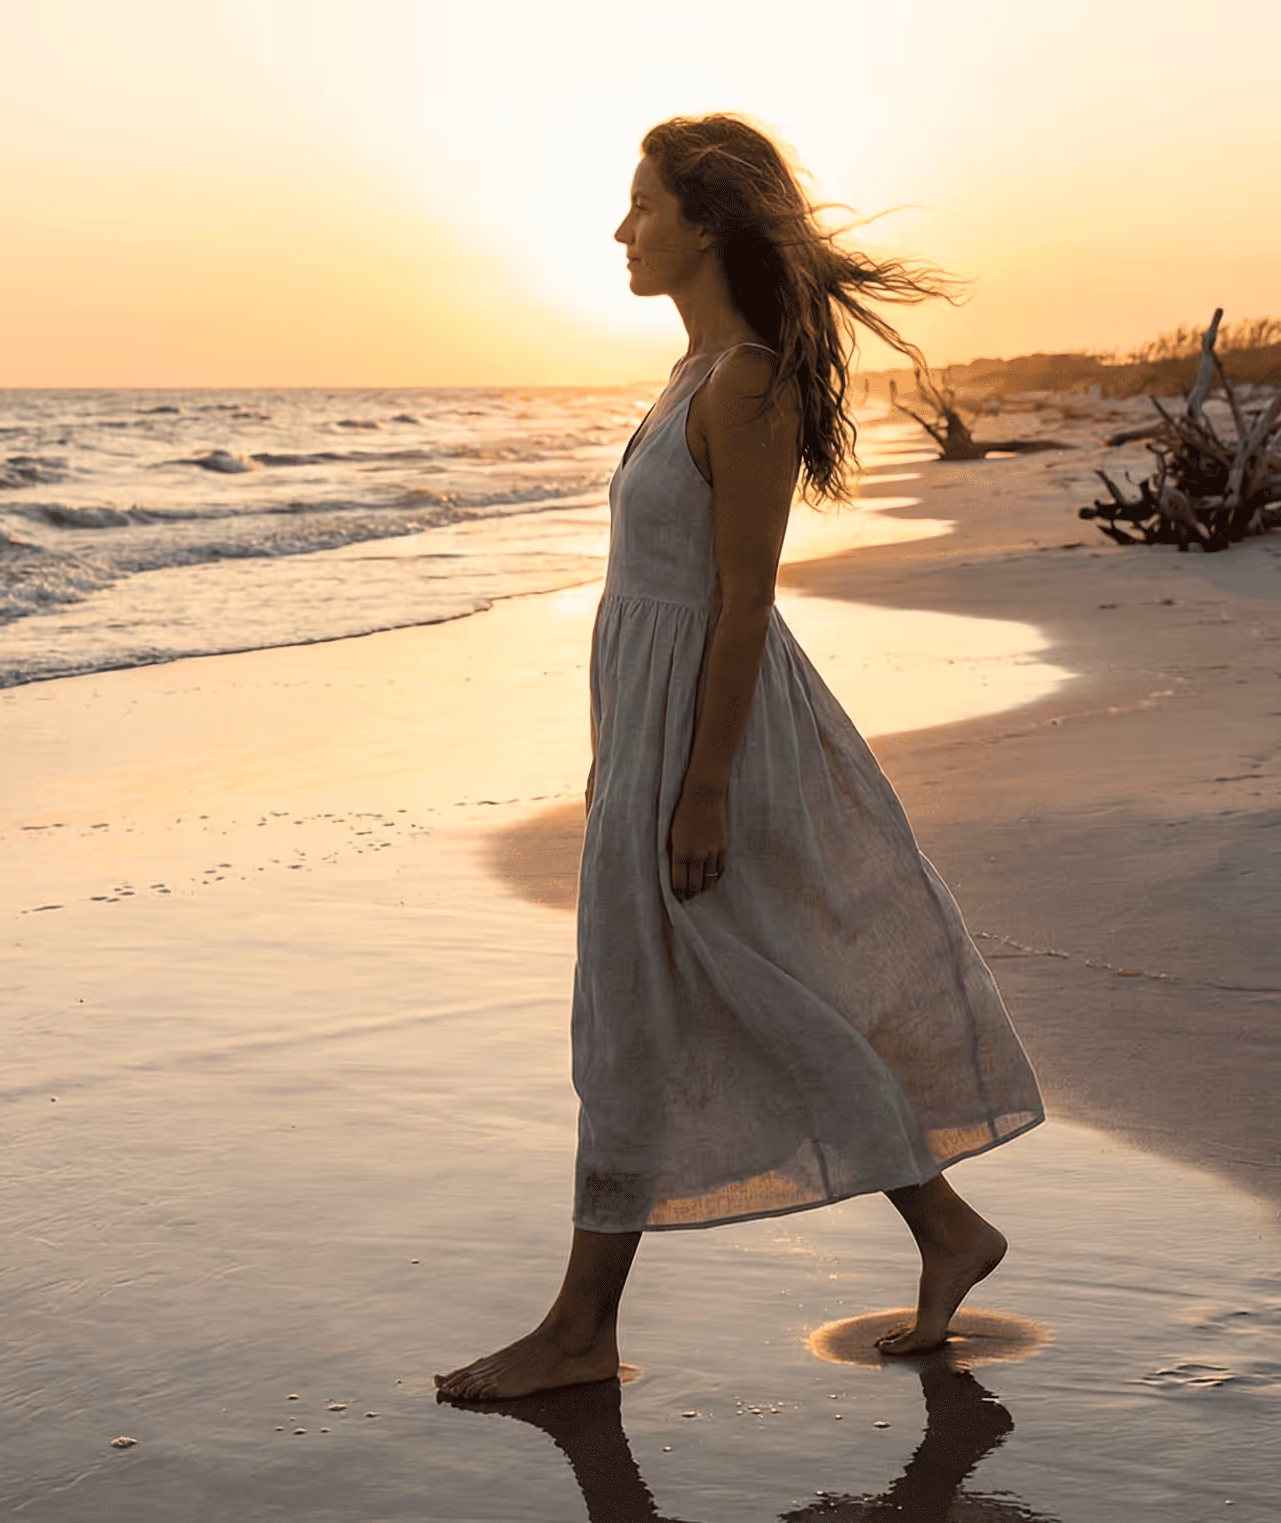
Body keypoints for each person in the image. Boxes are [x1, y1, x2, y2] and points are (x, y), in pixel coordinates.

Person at [436, 114, 1044, 1404]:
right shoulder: (689, 375)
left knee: (647, 1008)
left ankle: (581, 1327)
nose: (620, 230)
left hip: (717, 737)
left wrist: (699, 788)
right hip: (660, 734)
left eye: (643, 206)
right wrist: (626, 761)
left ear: (708, 224)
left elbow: (742, 599)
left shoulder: (747, 384)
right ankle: (943, 1231)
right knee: (712, 997)